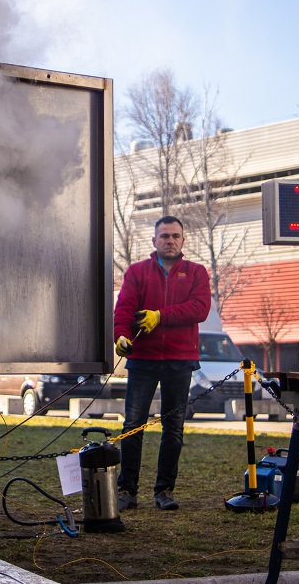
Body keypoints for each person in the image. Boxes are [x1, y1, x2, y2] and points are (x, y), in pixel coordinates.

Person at [113, 215, 211, 511]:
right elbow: (125, 307)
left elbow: (200, 308)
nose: (170, 240)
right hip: (142, 360)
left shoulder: (196, 272)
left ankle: (164, 491)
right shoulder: (137, 272)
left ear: (183, 241)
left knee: (174, 428)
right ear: (154, 241)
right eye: (164, 235)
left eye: (175, 236)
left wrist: (160, 315)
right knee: (132, 425)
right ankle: (127, 490)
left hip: (180, 361)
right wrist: (120, 335)